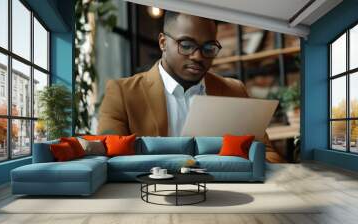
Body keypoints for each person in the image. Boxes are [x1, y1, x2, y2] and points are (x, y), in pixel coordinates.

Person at [98, 11, 283, 162]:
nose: (198, 56)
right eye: (186, 45)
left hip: (222, 195)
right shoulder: (122, 93)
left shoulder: (234, 91)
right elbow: (110, 158)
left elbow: (267, 153)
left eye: (209, 48)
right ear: (163, 42)